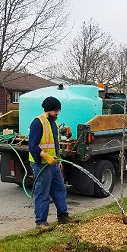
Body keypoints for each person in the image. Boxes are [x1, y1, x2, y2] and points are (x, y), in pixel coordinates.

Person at [28, 96, 76, 233]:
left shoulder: (53, 124)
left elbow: (54, 145)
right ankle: (41, 222)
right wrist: (46, 156)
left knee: (60, 189)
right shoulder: (38, 123)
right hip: (41, 164)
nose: (57, 113)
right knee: (43, 193)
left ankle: (63, 216)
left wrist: (58, 160)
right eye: (56, 111)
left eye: (58, 111)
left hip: (53, 164)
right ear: (49, 110)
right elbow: (32, 146)